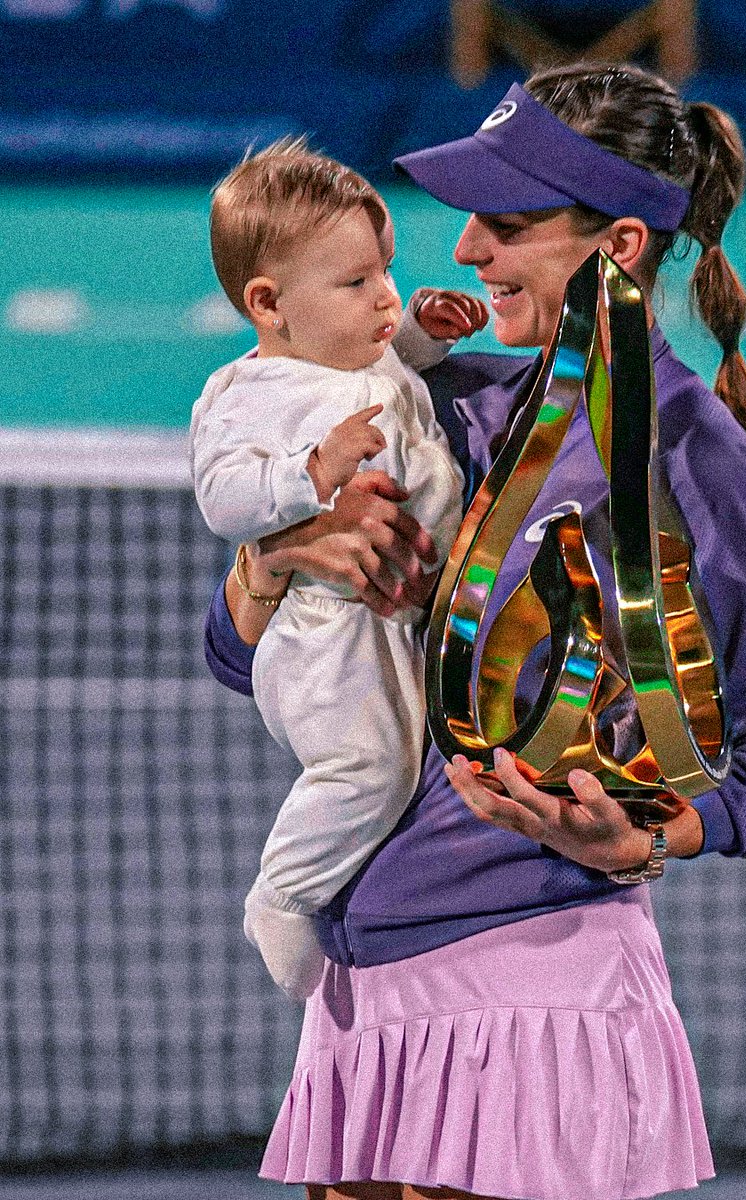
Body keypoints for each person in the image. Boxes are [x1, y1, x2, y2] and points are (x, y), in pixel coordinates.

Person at [203, 64, 746, 1200]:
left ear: (619, 251)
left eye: (505, 226)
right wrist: (275, 560)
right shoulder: (446, 405)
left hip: (536, 991)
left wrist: (648, 836)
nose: (462, 254)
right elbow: (233, 657)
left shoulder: (698, 463)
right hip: (365, 994)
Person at [191, 139, 487, 1002]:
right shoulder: (249, 393)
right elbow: (224, 496)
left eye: (387, 271)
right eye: (357, 284)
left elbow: (408, 369)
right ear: (268, 304)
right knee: (371, 769)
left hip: (396, 623)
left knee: (406, 757)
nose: (385, 297)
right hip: (327, 637)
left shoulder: (359, 353)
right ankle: (284, 896)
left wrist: (430, 332)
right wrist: (310, 480)